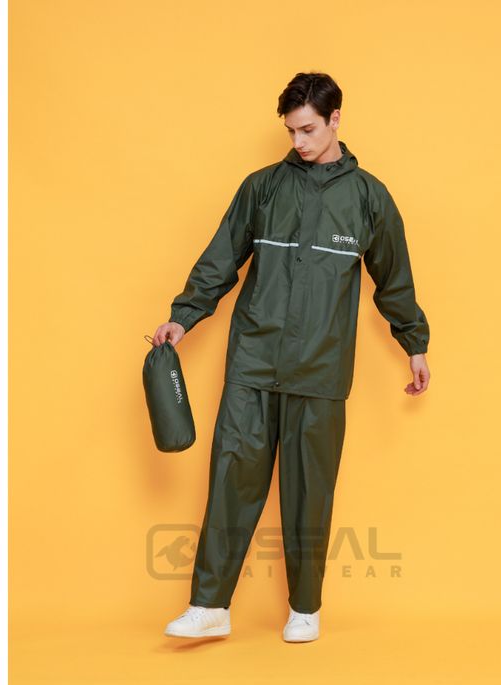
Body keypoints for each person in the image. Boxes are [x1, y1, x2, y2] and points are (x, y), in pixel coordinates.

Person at [154, 71, 431, 642]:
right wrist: (184, 316)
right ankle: (210, 606)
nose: (299, 141)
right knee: (230, 481)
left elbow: (394, 279)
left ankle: (305, 608)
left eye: (308, 129)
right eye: (291, 131)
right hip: (253, 361)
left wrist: (415, 343)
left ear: (335, 120)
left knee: (310, 494)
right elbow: (220, 259)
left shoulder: (369, 198)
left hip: (321, 369)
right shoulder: (262, 188)